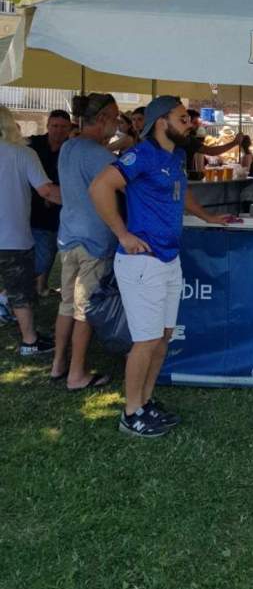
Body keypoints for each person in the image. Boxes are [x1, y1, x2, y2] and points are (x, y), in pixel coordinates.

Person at [90, 96, 235, 438]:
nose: (190, 123)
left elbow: (180, 193)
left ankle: (145, 402)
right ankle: (130, 413)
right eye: (183, 118)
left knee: (163, 337)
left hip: (169, 259)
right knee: (145, 341)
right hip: (143, 262)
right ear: (161, 122)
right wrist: (122, 234)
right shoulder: (142, 154)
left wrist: (208, 216)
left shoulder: (176, 156)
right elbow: (99, 187)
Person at [52, 94, 121, 389]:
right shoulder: (99, 155)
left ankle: (58, 364)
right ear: (103, 117)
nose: (118, 124)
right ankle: (77, 374)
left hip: (67, 237)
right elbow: (131, 188)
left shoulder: (69, 146)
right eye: (116, 117)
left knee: (67, 304)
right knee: (86, 309)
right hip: (94, 240)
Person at [0, 106, 61, 356]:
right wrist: (81, 199)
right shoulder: (23, 154)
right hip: (13, 237)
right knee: (20, 291)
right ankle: (29, 340)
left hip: (13, 236)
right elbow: (46, 191)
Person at [27, 109, 72, 296]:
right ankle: (15, 291)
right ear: (47, 126)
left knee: (50, 249)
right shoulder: (32, 145)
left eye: (63, 127)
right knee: (42, 254)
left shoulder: (72, 149)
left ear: (69, 128)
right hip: (32, 208)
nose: (58, 131)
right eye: (55, 126)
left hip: (60, 209)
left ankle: (41, 286)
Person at [183, 108, 242, 180]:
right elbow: (211, 151)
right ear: (188, 123)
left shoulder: (184, 138)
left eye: (198, 123)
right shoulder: (189, 139)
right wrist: (234, 143)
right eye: (195, 123)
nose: (198, 126)